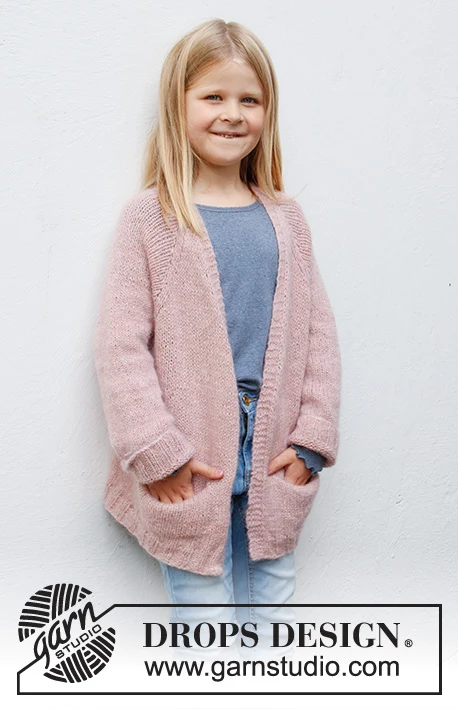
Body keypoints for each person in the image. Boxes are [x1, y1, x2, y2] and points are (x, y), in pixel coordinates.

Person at [94, 18, 341, 661]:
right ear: (178, 105)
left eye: (248, 99)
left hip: (273, 455)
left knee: (275, 628)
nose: (232, 114)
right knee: (205, 633)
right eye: (213, 96)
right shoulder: (151, 218)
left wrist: (311, 440)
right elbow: (121, 347)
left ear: (267, 112)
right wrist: (156, 452)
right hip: (191, 459)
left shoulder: (287, 219)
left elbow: (319, 335)